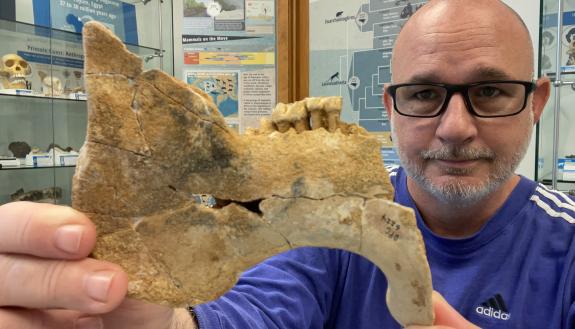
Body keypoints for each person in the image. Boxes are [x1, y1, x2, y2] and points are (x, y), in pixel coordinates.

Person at [0, 0, 572, 328]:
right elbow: (249, 313)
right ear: (390, 105)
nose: (454, 127)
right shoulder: (321, 221)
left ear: (538, 101)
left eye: (492, 91)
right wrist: (147, 319)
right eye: (423, 95)